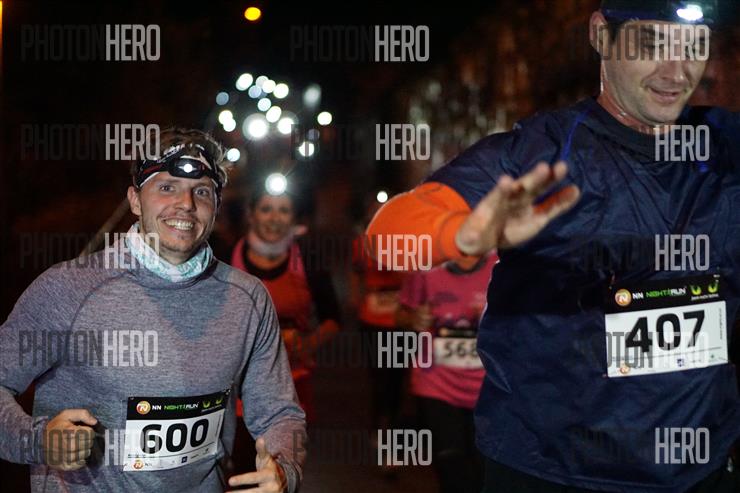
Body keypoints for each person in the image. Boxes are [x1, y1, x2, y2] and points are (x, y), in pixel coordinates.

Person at [367, 1, 740, 491]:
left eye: (693, 47)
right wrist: (462, 235)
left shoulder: (726, 146)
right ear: (601, 35)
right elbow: (387, 236)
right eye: (651, 45)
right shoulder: (541, 154)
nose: (676, 72)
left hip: (699, 473)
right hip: (552, 471)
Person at [0, 128, 306, 493]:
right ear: (134, 200)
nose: (186, 204)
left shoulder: (248, 299)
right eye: (167, 187)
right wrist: (36, 441)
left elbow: (279, 413)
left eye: (202, 192)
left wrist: (284, 469)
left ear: (217, 207)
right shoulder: (67, 289)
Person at [230, 189, 341, 423]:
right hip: (238, 387)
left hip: (292, 384)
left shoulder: (307, 259)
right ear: (251, 215)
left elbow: (333, 318)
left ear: (293, 217)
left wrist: (307, 345)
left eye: (283, 210)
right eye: (266, 209)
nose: (274, 218)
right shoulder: (226, 258)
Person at [396, 253, 497, 493]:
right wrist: (414, 318)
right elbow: (401, 314)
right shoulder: (425, 268)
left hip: (488, 388)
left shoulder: (499, 267)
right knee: (450, 463)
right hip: (437, 384)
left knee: (484, 468)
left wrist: (492, 319)